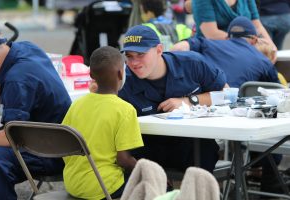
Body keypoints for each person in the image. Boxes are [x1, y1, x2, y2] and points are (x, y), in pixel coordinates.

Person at [118, 25, 227, 173]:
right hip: (148, 147)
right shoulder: (123, 82)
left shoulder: (192, 63)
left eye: (140, 54)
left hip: (191, 143)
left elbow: (226, 93)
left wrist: (190, 101)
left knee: (203, 148)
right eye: (129, 56)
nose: (134, 62)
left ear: (159, 50)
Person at [0, 27, 71, 199]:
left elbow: (10, 136)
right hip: (55, 136)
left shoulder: (17, 79)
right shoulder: (24, 48)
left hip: (51, 152)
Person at [62, 46, 144, 199]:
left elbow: (64, 145)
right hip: (104, 186)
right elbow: (123, 160)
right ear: (121, 73)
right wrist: (143, 169)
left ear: (91, 74)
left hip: (72, 183)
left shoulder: (77, 104)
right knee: (153, 182)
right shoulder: (125, 110)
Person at [172, 16, 279, 88]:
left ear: (227, 37)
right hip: (233, 110)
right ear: (254, 40)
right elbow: (277, 91)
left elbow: (177, 49)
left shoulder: (206, 43)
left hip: (198, 102)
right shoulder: (263, 61)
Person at [174, 0, 277, 59]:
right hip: (213, 53)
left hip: (244, 50)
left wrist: (271, 47)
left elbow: (257, 25)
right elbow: (212, 34)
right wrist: (247, 43)